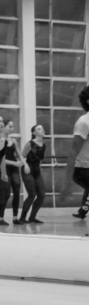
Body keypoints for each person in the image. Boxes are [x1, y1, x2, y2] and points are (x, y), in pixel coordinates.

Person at [60, 86, 89, 222]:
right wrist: (67, 183)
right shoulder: (84, 123)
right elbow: (73, 154)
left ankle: (83, 211)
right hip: (82, 169)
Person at [18, 124, 46, 224]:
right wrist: (25, 165)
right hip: (27, 170)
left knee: (41, 194)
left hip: (36, 172)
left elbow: (41, 159)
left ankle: (32, 217)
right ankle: (22, 218)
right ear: (34, 133)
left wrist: (39, 167)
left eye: (42, 128)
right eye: (39, 129)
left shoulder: (44, 145)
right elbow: (21, 156)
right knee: (32, 194)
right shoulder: (30, 144)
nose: (42, 130)